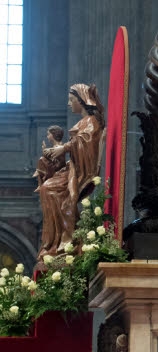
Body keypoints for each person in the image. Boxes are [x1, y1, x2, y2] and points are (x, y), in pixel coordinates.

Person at [38, 84, 104, 259]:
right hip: (73, 168)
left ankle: (65, 241)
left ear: (81, 101)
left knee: (51, 190)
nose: (69, 103)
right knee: (47, 188)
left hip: (81, 171)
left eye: (71, 100)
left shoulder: (91, 121)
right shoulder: (83, 122)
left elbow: (86, 142)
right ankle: (54, 241)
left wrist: (64, 148)